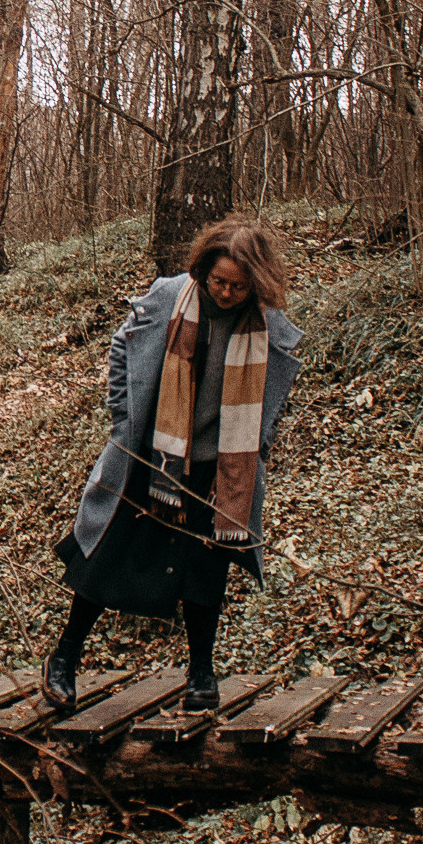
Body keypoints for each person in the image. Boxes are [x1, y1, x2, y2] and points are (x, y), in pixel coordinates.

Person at [43, 214, 303, 713]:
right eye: (218, 282)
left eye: (237, 286)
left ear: (256, 283)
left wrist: (259, 442)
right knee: (108, 555)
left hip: (217, 469)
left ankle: (201, 674)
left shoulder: (267, 326)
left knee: (205, 569)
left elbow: (274, 394)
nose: (226, 293)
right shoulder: (169, 296)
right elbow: (122, 346)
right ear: (203, 270)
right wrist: (124, 415)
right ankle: (64, 658)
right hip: (154, 457)